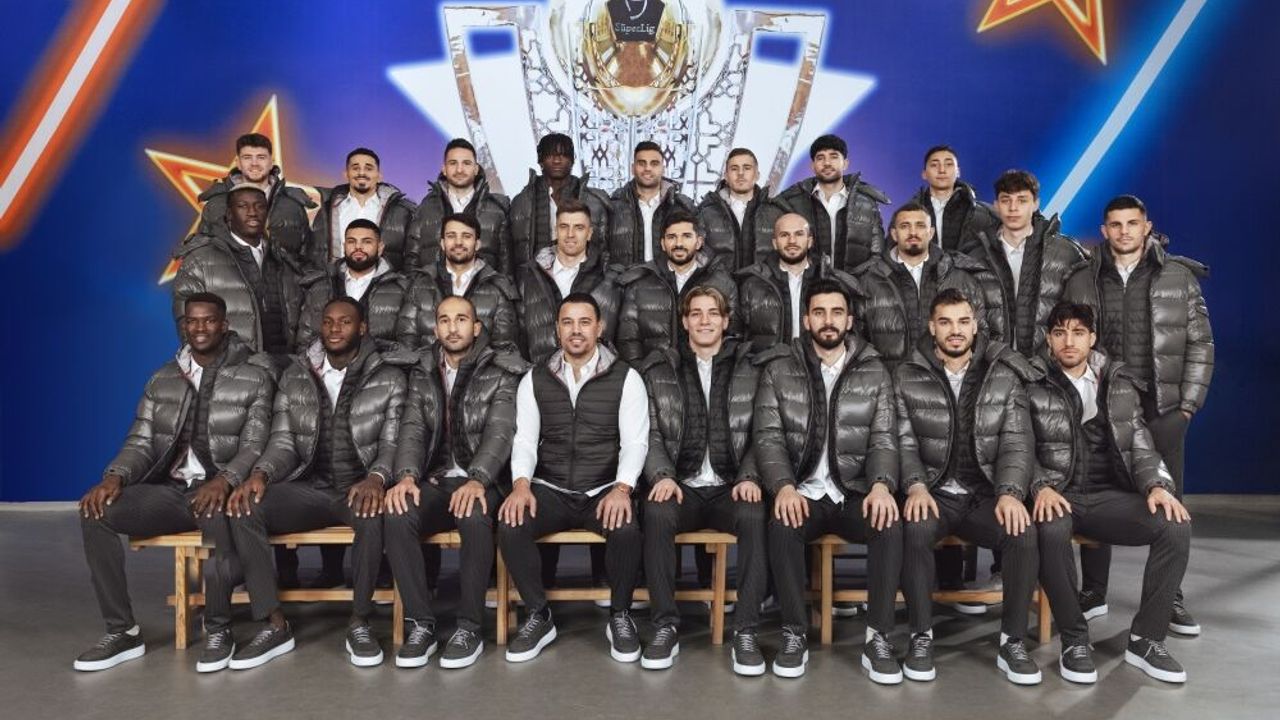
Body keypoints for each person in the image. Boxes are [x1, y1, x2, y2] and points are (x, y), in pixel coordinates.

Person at [76, 294, 274, 673]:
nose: (199, 328)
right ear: (184, 326)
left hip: (219, 490)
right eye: (192, 321)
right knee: (94, 512)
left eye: (208, 320)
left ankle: (218, 629)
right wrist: (114, 477)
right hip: (170, 491)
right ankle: (122, 631)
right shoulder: (163, 378)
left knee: (222, 528)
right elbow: (140, 441)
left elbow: (254, 444)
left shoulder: (253, 376)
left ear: (224, 325)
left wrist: (225, 480)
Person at [226, 298, 405, 669]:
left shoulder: (388, 375)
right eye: (328, 322)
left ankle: (360, 622)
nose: (335, 329)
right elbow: (283, 440)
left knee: (373, 516)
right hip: (313, 485)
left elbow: (392, 442)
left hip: (357, 486)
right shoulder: (297, 375)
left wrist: (376, 478)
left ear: (362, 328)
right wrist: (261, 474)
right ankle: (274, 623)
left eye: (345, 322)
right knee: (246, 507)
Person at [1063, 194, 1212, 636]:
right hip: (1104, 404)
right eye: (1115, 224)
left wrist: (1187, 408)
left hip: (1163, 408)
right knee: (1099, 489)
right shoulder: (1082, 279)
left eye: (1132, 223)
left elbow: (1201, 344)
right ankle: (1093, 591)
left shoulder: (1178, 277)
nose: (1124, 231)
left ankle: (1170, 597)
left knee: (1169, 505)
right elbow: (1069, 339)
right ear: (1104, 231)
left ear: (1147, 227)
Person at [1027, 301, 1193, 683]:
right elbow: (1017, 446)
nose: (1069, 341)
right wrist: (1040, 485)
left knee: (1175, 525)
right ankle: (1074, 639)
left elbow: (1139, 444)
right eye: (1060, 333)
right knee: (1050, 530)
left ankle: (1146, 639)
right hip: (1059, 495)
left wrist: (1157, 485)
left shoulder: (1118, 383)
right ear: (1049, 339)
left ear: (1093, 338)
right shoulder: (1031, 382)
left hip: (1106, 496)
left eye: (1078, 332)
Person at [752, 279, 903, 682]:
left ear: (849, 320)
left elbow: (884, 438)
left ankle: (878, 636)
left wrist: (881, 485)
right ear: (806, 320)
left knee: (889, 524)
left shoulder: (873, 370)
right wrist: (783, 486)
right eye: (819, 312)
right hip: (803, 490)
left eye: (837, 312)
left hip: (854, 490)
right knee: (781, 524)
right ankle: (794, 632)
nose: (828, 320)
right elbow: (768, 437)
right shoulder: (780, 368)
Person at [895, 288, 1043, 685]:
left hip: (984, 494)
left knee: (1022, 532)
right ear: (932, 327)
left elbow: (1016, 441)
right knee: (914, 529)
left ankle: (1012, 641)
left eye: (963, 321)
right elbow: (902, 441)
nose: (955, 330)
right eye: (945, 322)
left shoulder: (1002, 374)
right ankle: (920, 635)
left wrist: (1010, 492)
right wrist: (915, 486)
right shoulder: (908, 373)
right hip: (934, 493)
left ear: (975, 326)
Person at [497, 294, 649, 664]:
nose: (576, 330)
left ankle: (620, 614)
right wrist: (521, 485)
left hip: (603, 489)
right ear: (557, 329)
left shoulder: (626, 378)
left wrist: (622, 489)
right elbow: (525, 440)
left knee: (627, 527)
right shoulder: (535, 378)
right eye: (567, 322)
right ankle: (538, 615)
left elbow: (635, 442)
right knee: (511, 521)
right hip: (551, 488)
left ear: (599, 328)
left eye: (584, 322)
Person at [385, 295, 529, 668]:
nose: (453, 327)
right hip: (436, 480)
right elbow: (412, 427)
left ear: (476, 328)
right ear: (436, 328)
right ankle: (421, 624)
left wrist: (478, 479)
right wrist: (406, 476)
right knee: (398, 513)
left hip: (484, 480)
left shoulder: (499, 369)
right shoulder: (423, 370)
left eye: (461, 319)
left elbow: (501, 431)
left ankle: (469, 627)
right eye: (445, 320)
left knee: (474, 516)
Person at [635, 286, 768, 674]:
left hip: (731, 485)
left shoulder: (751, 367)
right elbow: (649, 432)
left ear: (726, 321)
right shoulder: (661, 369)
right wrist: (662, 475)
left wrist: (750, 475)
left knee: (756, 515)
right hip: (683, 485)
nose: (704, 321)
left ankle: (746, 630)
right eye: (696, 313)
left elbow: (764, 430)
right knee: (656, 512)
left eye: (713, 313)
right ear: (685, 321)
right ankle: (665, 625)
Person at [853, 201, 1004, 371]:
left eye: (920, 226)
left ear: (931, 233)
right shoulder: (869, 281)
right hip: (890, 380)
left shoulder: (961, 279)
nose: (913, 232)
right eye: (905, 226)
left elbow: (981, 334)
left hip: (946, 381)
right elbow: (858, 341)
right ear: (894, 234)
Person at [959, 170, 1086, 357]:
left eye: (1022, 200)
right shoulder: (974, 256)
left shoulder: (1066, 254)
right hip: (991, 364)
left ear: (1035, 204)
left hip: (1049, 365)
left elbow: (1084, 316)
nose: (1013, 208)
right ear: (996, 205)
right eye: (1006, 200)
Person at [173, 186, 303, 360]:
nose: (252, 213)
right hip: (230, 369)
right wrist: (210, 365)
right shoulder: (200, 259)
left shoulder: (283, 259)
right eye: (242, 206)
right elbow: (186, 319)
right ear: (229, 214)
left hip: (283, 366)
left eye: (259, 206)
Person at [615, 211, 738, 362]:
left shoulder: (723, 284)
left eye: (686, 236)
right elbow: (628, 340)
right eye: (671, 237)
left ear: (699, 242)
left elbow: (732, 336)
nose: (679, 243)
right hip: (653, 372)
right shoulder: (639, 285)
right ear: (662, 244)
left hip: (704, 373)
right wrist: (643, 371)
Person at [515, 200, 621, 363]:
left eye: (579, 227)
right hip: (541, 372)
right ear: (555, 231)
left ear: (590, 233)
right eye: (564, 227)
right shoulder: (529, 275)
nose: (570, 234)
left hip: (597, 373)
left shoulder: (610, 278)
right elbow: (519, 336)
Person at [736, 212, 859, 352]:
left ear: (810, 241)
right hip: (767, 363)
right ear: (775, 243)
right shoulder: (752, 285)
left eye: (799, 234)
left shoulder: (831, 282)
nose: (792, 241)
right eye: (784, 235)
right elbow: (737, 338)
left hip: (818, 364)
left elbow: (851, 337)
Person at [397, 213, 520, 351]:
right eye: (451, 236)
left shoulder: (499, 286)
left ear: (477, 244)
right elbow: (406, 339)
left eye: (466, 236)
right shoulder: (420, 283)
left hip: (482, 364)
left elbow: (504, 346)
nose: (458, 242)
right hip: (428, 363)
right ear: (442, 243)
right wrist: (427, 364)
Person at [194, 132, 316, 268]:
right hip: (229, 281)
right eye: (247, 157)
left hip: (284, 281)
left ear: (271, 162)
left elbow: (309, 259)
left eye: (261, 157)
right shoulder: (216, 206)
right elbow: (200, 257)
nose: (254, 163)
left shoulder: (293, 206)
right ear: (238, 163)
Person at [770, 134, 890, 271]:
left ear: (845, 163)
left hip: (855, 282)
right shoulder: (793, 203)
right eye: (820, 158)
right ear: (812, 166)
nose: (827, 163)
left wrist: (852, 281)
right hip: (806, 283)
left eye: (834, 156)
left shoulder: (867, 203)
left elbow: (877, 255)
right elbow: (778, 250)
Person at [296, 218, 408, 352]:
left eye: (366, 241)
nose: (358, 247)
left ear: (380, 248)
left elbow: (406, 345)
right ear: (344, 246)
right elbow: (304, 340)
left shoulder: (400, 289)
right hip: (327, 363)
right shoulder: (320, 286)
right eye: (351, 241)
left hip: (379, 362)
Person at [405, 138, 513, 275]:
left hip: (483, 288)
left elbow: (506, 266)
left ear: (476, 169)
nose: (459, 169)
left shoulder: (498, 210)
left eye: (466, 163)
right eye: (453, 163)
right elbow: (411, 261)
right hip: (432, 288)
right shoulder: (425, 208)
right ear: (444, 169)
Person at [508, 132, 612, 268]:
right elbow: (510, 254)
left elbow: (605, 250)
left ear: (572, 160)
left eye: (563, 155)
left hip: (583, 276)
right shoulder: (521, 202)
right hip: (533, 276)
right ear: (540, 159)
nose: (557, 160)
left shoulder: (594, 201)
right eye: (550, 155)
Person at [312, 147, 417, 270]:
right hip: (334, 280)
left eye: (368, 168)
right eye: (355, 168)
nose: (361, 173)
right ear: (346, 174)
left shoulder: (402, 211)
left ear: (379, 175)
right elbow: (313, 253)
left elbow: (412, 255)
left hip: (387, 281)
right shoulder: (327, 210)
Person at [607, 141, 697, 267]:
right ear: (632, 168)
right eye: (642, 163)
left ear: (663, 169)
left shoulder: (682, 206)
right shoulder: (613, 206)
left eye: (654, 163)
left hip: (669, 278)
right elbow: (601, 251)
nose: (647, 168)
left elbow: (699, 247)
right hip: (625, 278)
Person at [695, 147, 776, 269]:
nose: (740, 173)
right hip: (717, 280)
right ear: (726, 176)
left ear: (757, 175)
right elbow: (696, 255)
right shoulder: (705, 213)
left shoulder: (775, 213)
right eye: (734, 168)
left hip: (762, 280)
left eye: (747, 168)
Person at [910, 145, 997, 252]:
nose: (942, 170)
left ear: (958, 172)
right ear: (924, 174)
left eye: (948, 164)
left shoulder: (982, 214)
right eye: (934, 165)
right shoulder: (908, 213)